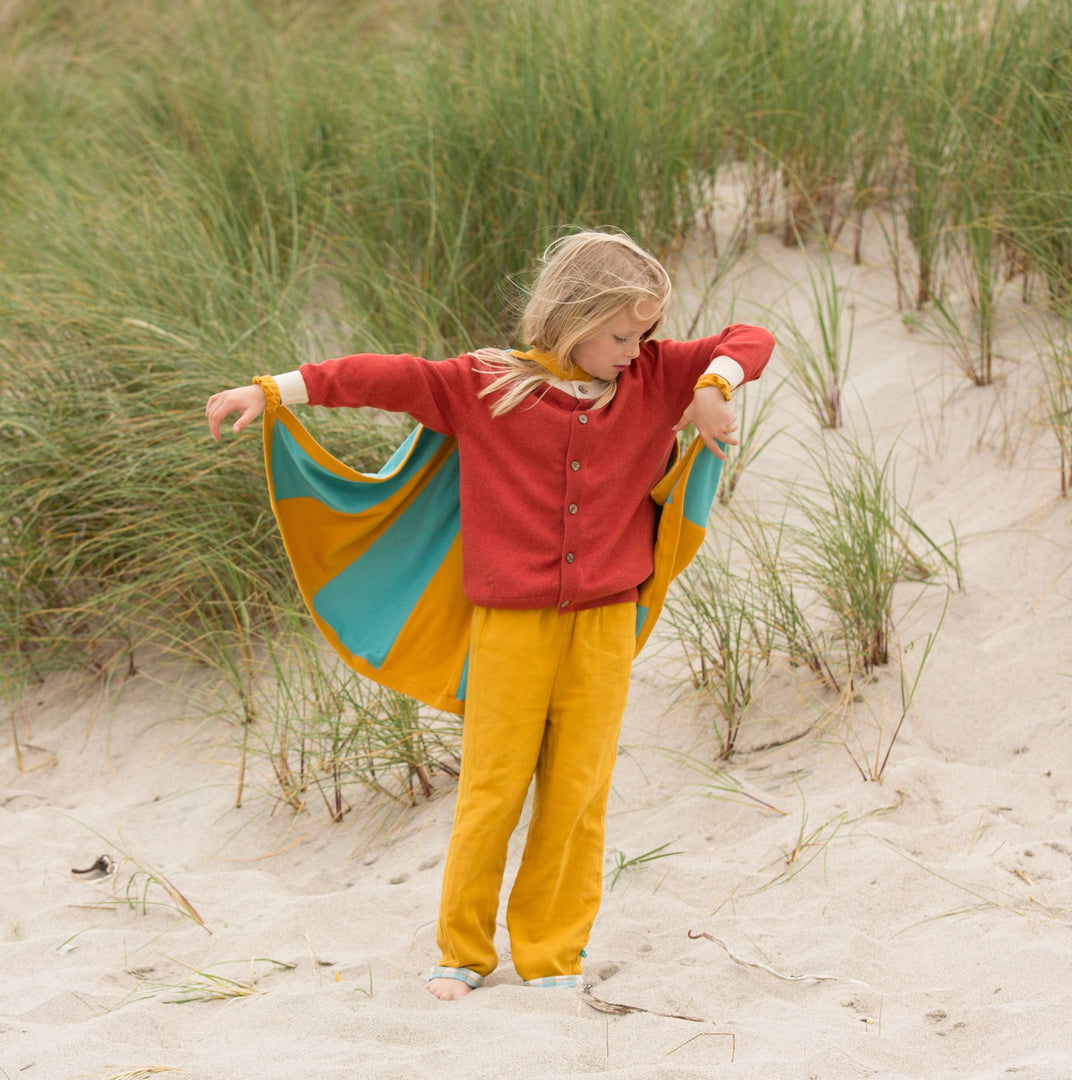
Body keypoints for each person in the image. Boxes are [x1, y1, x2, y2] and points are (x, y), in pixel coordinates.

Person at [205, 228, 774, 1001]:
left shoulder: (656, 377)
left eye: (644, 333)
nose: (635, 349)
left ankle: (551, 955)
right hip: (509, 626)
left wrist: (715, 384)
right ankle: (462, 952)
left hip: (605, 623)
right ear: (572, 319)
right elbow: (383, 377)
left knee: (579, 792)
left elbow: (753, 336)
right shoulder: (482, 385)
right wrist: (273, 389)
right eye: (619, 334)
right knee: (493, 787)